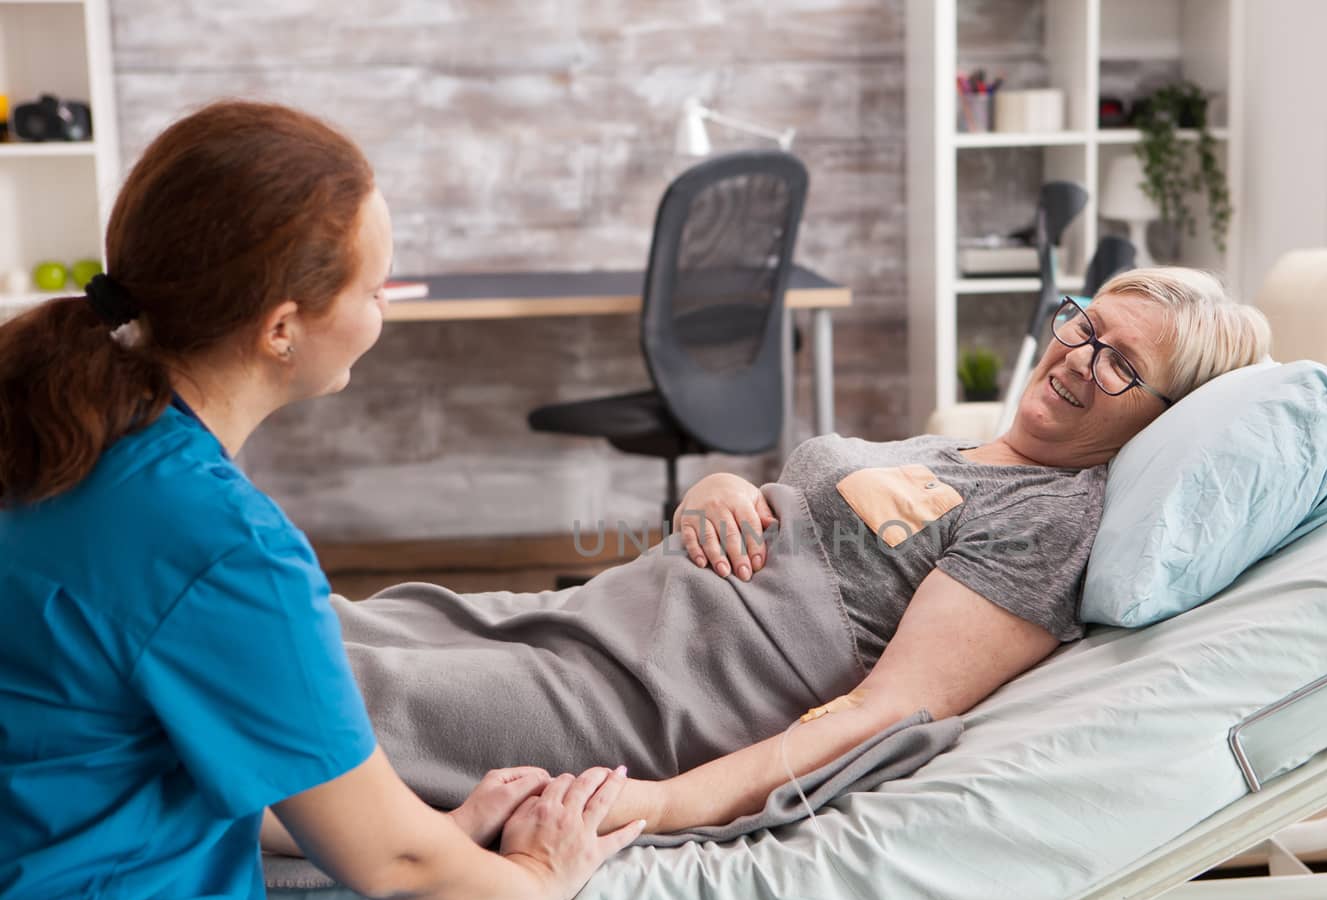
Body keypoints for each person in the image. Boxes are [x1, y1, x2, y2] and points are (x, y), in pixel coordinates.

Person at [0, 100, 639, 900]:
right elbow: (390, 862)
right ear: (283, 326)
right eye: (379, 288)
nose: (386, 307)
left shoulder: (58, 439)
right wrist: (536, 876)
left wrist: (431, 821)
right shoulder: (218, 542)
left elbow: (154, 756)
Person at [282, 267, 1271, 845]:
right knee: (324, 619)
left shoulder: (1049, 521)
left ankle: (132, 848)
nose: (1075, 359)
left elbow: (889, 707)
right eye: (1083, 326)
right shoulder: (953, 445)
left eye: (1120, 365)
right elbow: (802, 506)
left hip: (661, 692)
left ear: (1159, 418)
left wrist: (670, 800)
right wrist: (719, 490)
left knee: (350, 691)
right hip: (611, 613)